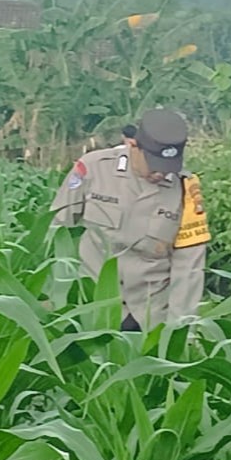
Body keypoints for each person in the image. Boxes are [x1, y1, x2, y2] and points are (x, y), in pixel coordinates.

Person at [51, 109, 210, 331]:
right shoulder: (93, 168)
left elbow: (189, 266)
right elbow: (56, 229)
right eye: (154, 164)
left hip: (149, 314)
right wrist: (57, 295)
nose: (161, 174)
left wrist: (181, 330)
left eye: (168, 167)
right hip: (92, 304)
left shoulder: (186, 189)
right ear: (133, 145)